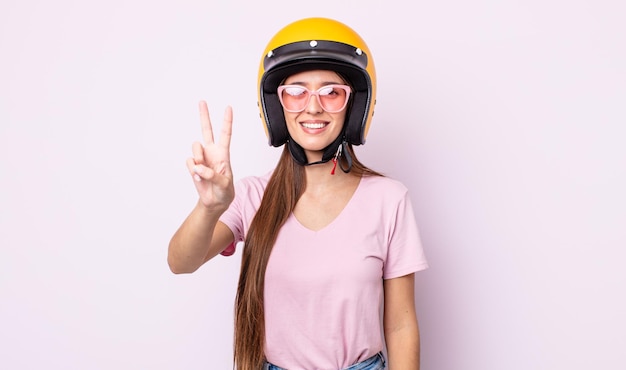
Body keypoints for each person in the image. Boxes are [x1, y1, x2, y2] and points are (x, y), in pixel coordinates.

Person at [168, 17, 429, 370]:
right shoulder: (252, 196)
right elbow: (181, 262)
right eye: (297, 92)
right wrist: (209, 206)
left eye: (331, 92)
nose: (313, 107)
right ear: (277, 107)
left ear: (355, 106)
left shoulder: (388, 199)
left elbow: (400, 325)